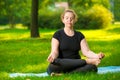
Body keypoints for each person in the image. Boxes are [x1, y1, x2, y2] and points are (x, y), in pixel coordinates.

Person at [47, 9, 105, 76]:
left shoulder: (79, 35)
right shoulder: (57, 34)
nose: (69, 20)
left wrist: (97, 55)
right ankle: (86, 61)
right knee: (52, 67)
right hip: (62, 64)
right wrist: (52, 57)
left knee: (93, 67)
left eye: (71, 18)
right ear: (63, 20)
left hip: (77, 64)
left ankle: (62, 75)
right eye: (67, 18)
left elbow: (87, 51)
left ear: (75, 20)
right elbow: (54, 51)